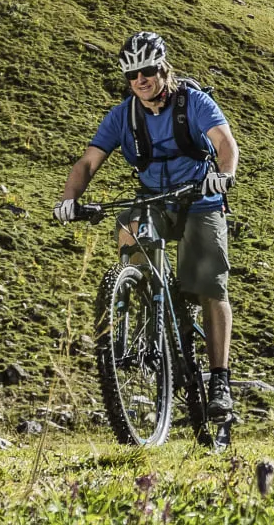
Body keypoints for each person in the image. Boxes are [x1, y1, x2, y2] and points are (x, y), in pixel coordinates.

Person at [55, 31, 244, 429]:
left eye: (148, 71)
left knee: (210, 285)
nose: (140, 80)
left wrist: (223, 176)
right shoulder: (122, 116)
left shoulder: (193, 102)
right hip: (153, 198)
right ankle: (141, 296)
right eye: (131, 75)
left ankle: (221, 381)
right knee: (129, 229)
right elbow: (88, 163)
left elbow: (225, 144)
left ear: (163, 68)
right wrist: (70, 199)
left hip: (199, 198)